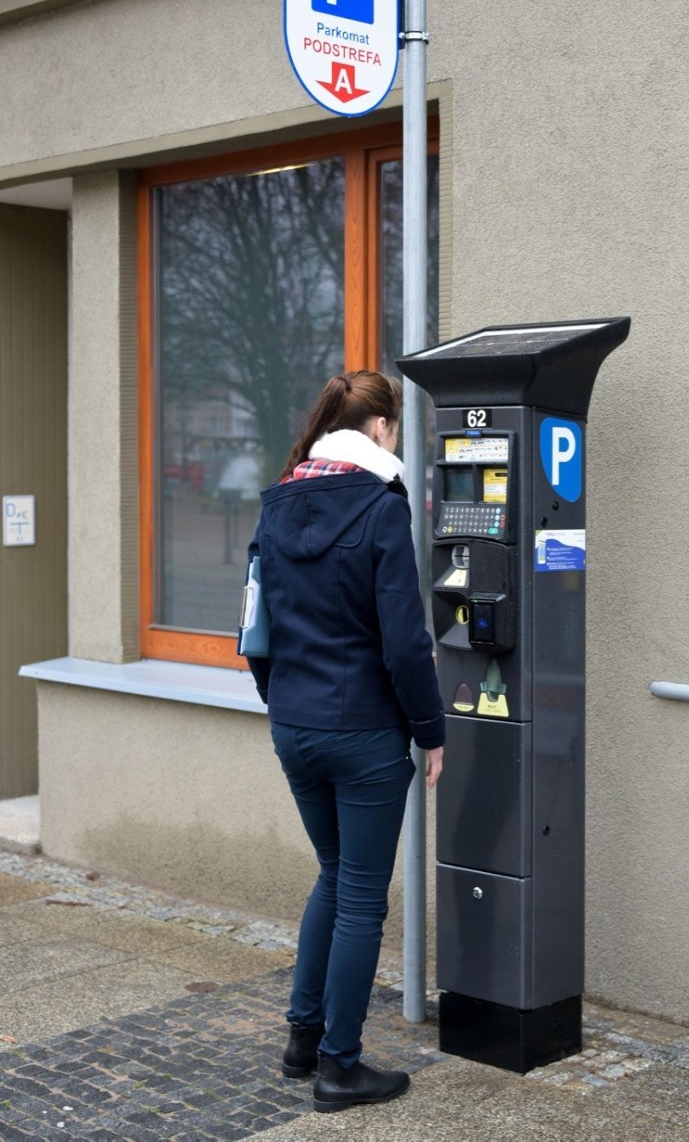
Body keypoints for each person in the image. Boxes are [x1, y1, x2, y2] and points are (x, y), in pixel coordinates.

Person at [245, 371, 445, 1114]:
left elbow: (254, 630)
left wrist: (285, 704)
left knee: (333, 876)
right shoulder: (381, 505)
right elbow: (405, 644)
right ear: (383, 429)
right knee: (361, 896)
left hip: (295, 727)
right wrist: (431, 732)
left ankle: (303, 1039)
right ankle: (339, 1066)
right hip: (362, 731)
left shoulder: (276, 501)